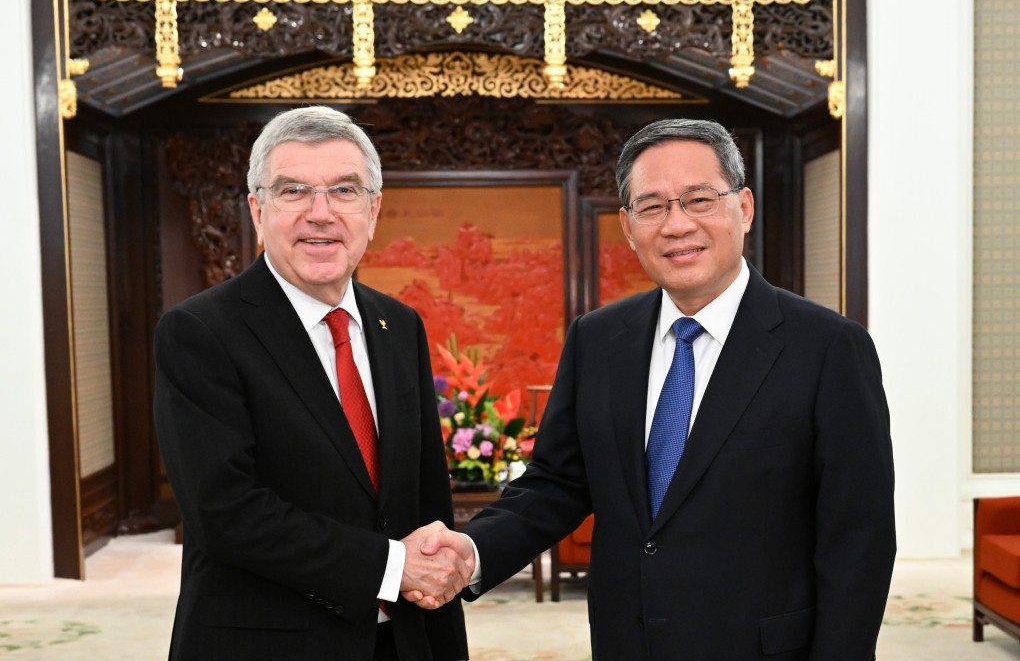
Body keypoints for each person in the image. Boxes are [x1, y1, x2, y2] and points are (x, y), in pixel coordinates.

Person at [415, 118, 896, 660]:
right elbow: (558, 483)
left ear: (744, 208)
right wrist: (471, 550)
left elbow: (859, 540)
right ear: (627, 225)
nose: (676, 225)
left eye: (698, 200)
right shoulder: (598, 338)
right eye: (653, 206)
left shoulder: (828, 347)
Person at [153, 105, 471, 661]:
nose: (320, 214)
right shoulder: (201, 331)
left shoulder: (399, 325)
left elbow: (425, 497)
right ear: (257, 210)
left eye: (344, 191)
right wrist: (391, 566)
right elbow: (225, 513)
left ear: (373, 210)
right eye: (294, 191)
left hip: (402, 640)